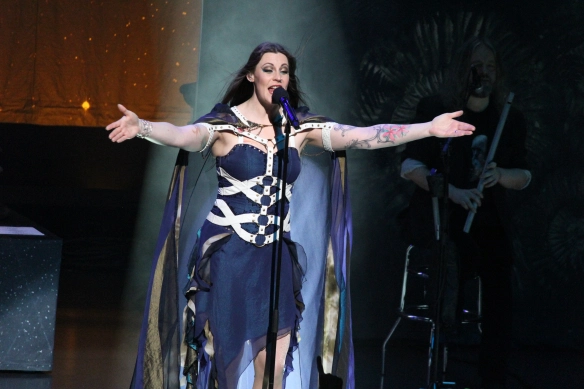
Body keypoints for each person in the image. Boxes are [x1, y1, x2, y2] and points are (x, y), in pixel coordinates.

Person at [106, 42, 474, 389]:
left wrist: (427, 129)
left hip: (276, 258)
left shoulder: (298, 129)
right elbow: (184, 134)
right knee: (225, 364)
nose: (277, 76)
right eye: (269, 69)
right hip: (228, 257)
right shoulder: (226, 126)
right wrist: (144, 128)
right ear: (252, 76)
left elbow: (363, 135)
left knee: (275, 366)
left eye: (284, 70)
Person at [401, 37, 531, 389]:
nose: (484, 73)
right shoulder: (438, 109)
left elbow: (525, 176)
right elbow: (409, 165)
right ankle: (438, 366)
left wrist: (500, 176)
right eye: (477, 66)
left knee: (500, 279)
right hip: (443, 220)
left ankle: (492, 377)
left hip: (488, 225)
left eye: (490, 67)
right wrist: (451, 191)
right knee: (450, 265)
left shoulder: (508, 117)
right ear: (463, 70)